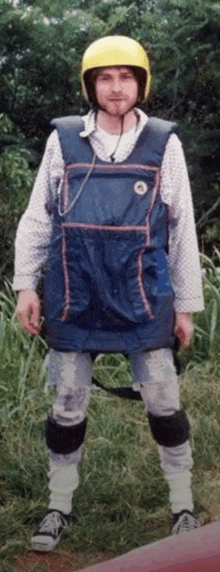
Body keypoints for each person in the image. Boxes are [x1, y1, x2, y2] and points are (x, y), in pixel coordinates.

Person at [13, 35, 204, 551]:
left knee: (164, 399)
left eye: (126, 77)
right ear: (90, 85)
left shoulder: (164, 142)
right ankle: (59, 506)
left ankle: (183, 505)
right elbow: (38, 217)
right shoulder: (64, 141)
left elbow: (182, 226)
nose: (116, 88)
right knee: (68, 404)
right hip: (74, 292)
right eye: (105, 77)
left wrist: (185, 306)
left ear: (140, 84)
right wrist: (26, 286)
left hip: (143, 293)